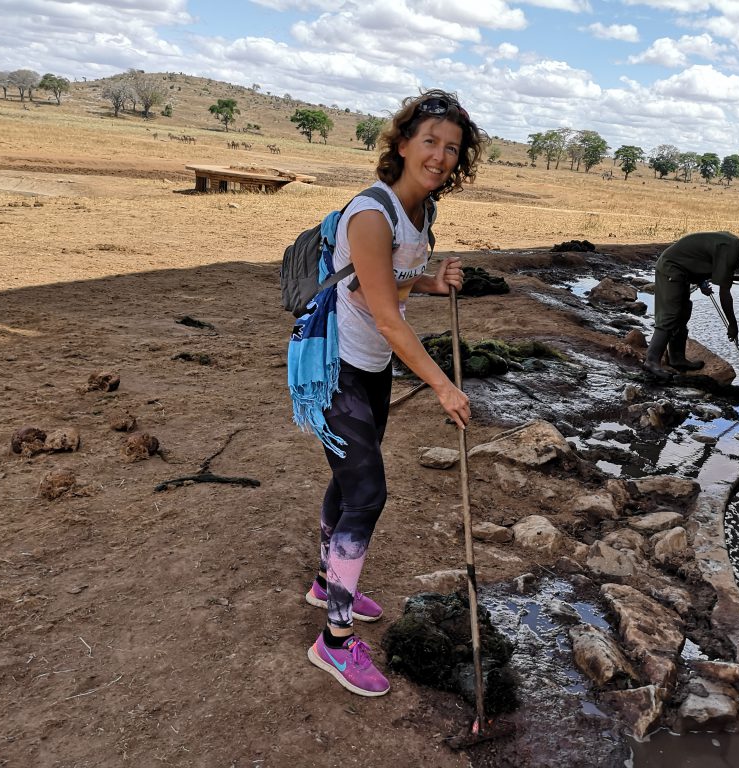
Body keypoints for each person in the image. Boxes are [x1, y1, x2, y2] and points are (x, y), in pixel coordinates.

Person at [292, 90, 486, 697]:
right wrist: (442, 385)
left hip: (370, 367)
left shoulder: (420, 214)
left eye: (451, 148)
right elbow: (386, 316)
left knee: (349, 478)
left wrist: (431, 278)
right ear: (401, 144)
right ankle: (336, 641)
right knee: (368, 491)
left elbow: (389, 284)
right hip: (333, 365)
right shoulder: (371, 214)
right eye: (429, 141)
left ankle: (327, 580)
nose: (440, 155)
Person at [643, 225, 739, 380]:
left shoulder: (733, 246)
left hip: (682, 270)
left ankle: (676, 358)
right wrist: (732, 324)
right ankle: (651, 361)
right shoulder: (731, 251)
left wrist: (701, 282)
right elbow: (725, 294)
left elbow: (702, 256)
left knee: (683, 312)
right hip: (671, 268)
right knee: (670, 314)